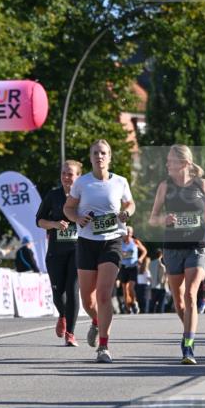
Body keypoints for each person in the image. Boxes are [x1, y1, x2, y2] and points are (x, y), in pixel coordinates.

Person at [148, 144, 205, 365]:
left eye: (171, 160)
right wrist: (164, 220)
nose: (167, 164)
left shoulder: (201, 184)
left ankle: (188, 345)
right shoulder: (165, 186)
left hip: (197, 245)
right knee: (179, 301)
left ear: (184, 163)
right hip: (171, 247)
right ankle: (189, 329)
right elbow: (153, 218)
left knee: (191, 295)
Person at [63, 139, 134, 363]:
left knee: (104, 295)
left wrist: (126, 213)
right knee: (87, 300)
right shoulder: (82, 183)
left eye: (103, 153)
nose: (99, 156)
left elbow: (130, 204)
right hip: (86, 242)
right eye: (95, 153)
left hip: (111, 241)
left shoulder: (120, 181)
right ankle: (96, 321)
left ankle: (103, 346)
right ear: (91, 157)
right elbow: (68, 208)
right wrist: (77, 218)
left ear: (109, 157)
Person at [36, 159, 82, 346]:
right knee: (58, 292)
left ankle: (70, 333)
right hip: (56, 250)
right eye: (63, 173)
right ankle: (62, 315)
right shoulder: (53, 195)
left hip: (78, 249)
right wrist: (54, 224)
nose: (66, 177)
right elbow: (39, 221)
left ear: (78, 176)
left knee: (72, 291)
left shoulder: (85, 196)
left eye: (70, 174)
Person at [119, 226, 147, 313]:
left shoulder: (135, 242)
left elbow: (144, 251)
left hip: (133, 267)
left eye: (129, 232)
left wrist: (141, 259)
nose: (128, 234)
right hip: (123, 267)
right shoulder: (119, 243)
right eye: (126, 232)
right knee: (124, 289)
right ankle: (128, 307)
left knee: (131, 287)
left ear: (132, 233)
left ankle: (134, 302)